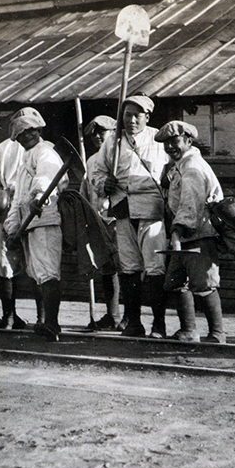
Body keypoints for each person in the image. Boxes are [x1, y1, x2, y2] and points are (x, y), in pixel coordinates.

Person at [91, 95, 169, 338]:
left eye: (137, 115)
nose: (132, 120)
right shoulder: (112, 142)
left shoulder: (159, 140)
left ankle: (159, 325)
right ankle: (134, 323)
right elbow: (97, 172)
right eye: (127, 115)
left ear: (147, 117)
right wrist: (104, 183)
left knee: (155, 268)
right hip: (123, 209)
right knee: (129, 268)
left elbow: (173, 171)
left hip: (151, 210)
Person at [155, 121, 225, 343]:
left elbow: (190, 203)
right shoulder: (180, 166)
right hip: (185, 236)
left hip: (199, 233)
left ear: (188, 141)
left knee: (204, 283)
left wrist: (177, 231)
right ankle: (188, 330)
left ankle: (217, 334)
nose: (170, 147)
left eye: (175, 141)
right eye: (166, 143)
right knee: (175, 282)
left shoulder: (193, 166)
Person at [3, 107, 68, 342]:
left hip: (45, 219)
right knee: (36, 272)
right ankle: (45, 322)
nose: (28, 135)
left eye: (32, 130)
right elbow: (18, 199)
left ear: (39, 130)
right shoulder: (23, 162)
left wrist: (39, 196)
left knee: (48, 272)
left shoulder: (46, 153)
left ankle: (52, 323)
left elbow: (46, 178)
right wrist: (11, 228)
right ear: (16, 137)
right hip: (28, 223)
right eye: (22, 133)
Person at [0, 131, 45, 330]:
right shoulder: (8, 147)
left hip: (28, 208)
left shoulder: (41, 150)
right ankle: (17, 318)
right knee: (14, 264)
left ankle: (23, 318)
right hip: (16, 207)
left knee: (27, 264)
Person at [80, 114, 121, 330]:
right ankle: (112, 315)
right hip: (99, 221)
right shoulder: (92, 161)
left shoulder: (121, 156)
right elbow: (86, 191)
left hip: (119, 220)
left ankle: (130, 318)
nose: (97, 136)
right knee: (106, 269)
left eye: (102, 132)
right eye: (94, 133)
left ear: (113, 132)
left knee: (128, 268)